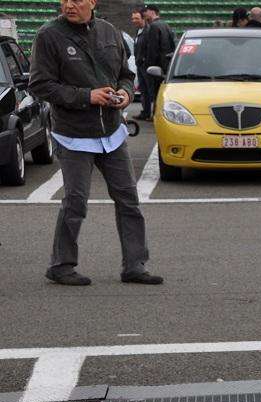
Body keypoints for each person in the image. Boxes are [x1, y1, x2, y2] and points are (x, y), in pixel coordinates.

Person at [27, 0, 163, 286]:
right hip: (73, 134)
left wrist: (125, 94)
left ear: (92, 2)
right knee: (75, 202)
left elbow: (126, 75)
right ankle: (61, 266)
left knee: (129, 199)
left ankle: (135, 266)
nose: (68, 5)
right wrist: (85, 96)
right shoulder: (48, 35)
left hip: (112, 133)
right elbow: (39, 84)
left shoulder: (110, 31)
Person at [139, 4, 172, 119]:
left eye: (146, 11)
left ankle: (156, 115)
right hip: (166, 64)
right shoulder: (166, 25)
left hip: (156, 66)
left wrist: (148, 64)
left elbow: (152, 48)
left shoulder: (154, 26)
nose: (144, 13)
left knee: (154, 92)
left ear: (152, 12)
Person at [130, 7, 149, 120]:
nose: (134, 21)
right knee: (143, 90)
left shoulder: (148, 30)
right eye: (133, 19)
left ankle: (151, 113)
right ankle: (145, 112)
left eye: (136, 18)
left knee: (150, 91)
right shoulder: (138, 31)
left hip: (146, 66)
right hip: (140, 66)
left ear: (143, 18)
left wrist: (145, 61)